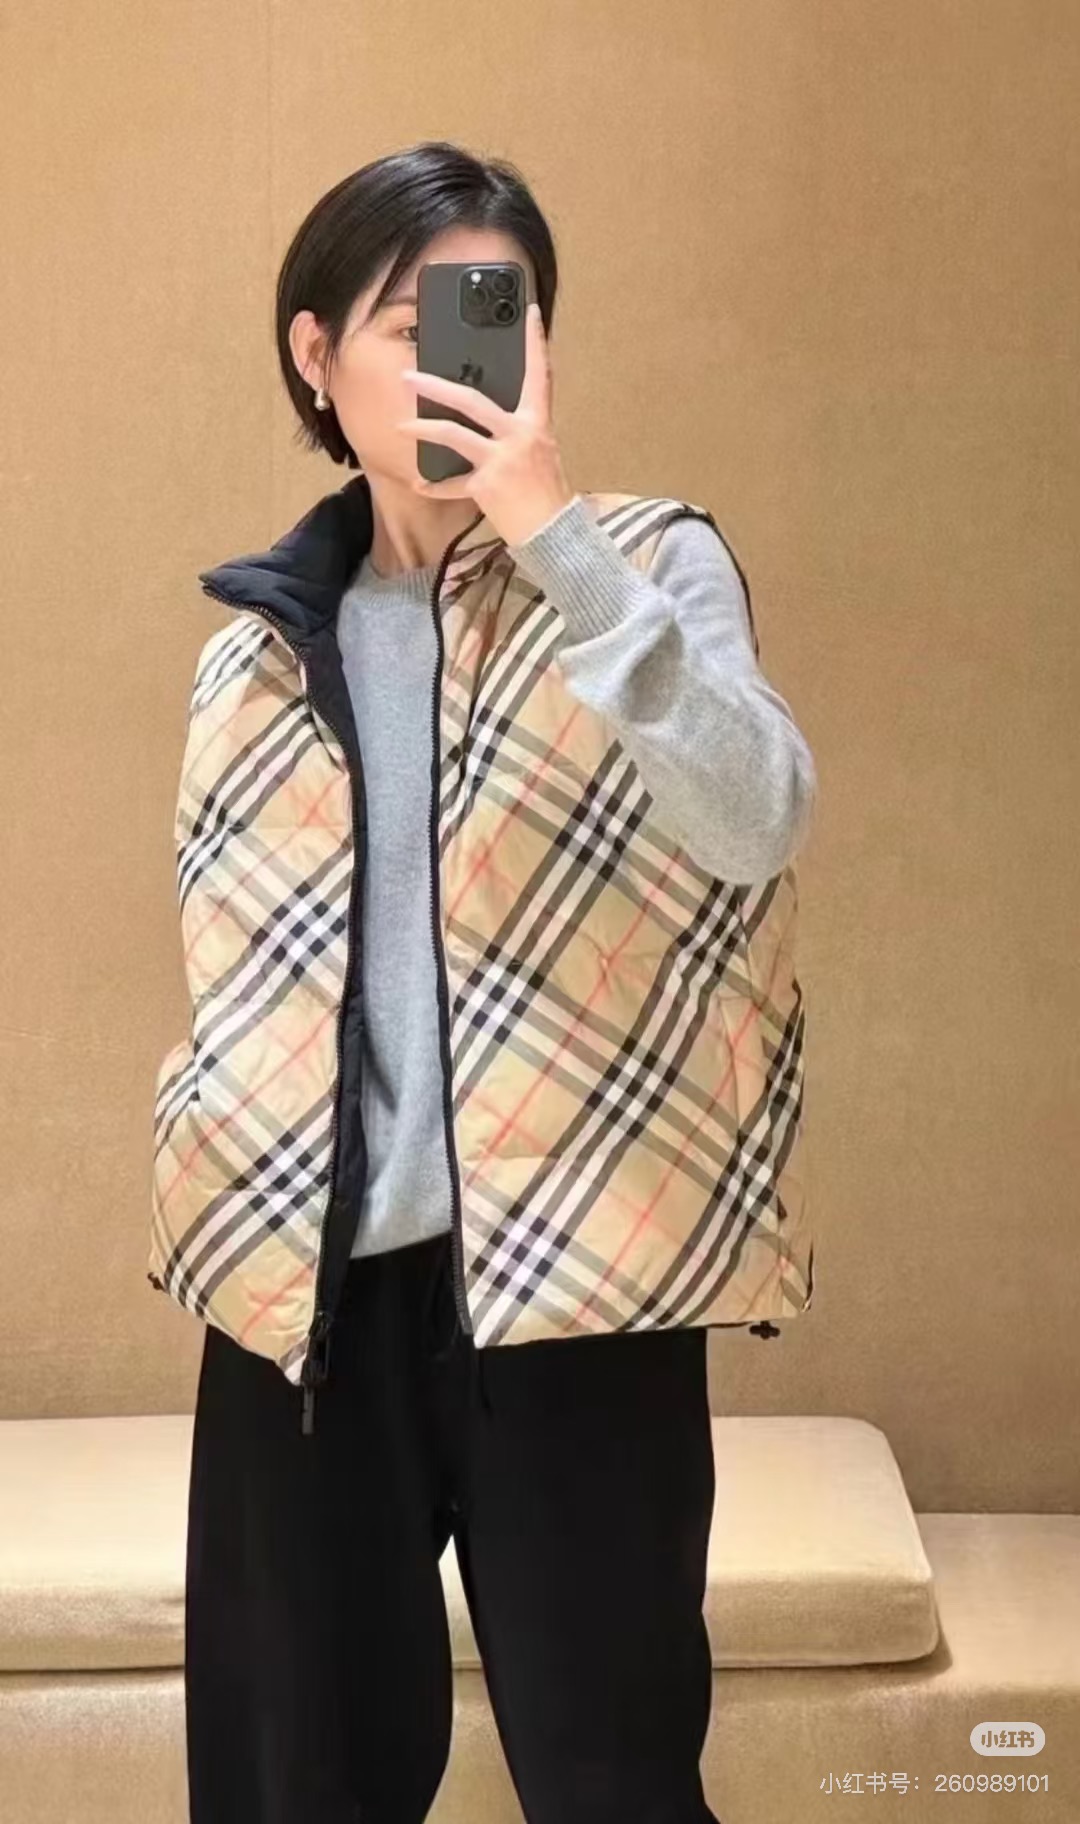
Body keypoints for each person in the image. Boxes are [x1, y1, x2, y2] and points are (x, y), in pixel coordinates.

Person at [155, 138, 817, 1824]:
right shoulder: (254, 651)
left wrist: (558, 546)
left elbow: (756, 819)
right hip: (307, 1315)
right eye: (416, 319)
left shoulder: (649, 567)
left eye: (498, 314)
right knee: (294, 1788)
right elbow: (239, 981)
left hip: (579, 1295)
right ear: (316, 355)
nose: (467, 353)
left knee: (614, 1782)